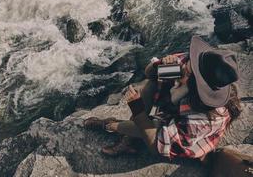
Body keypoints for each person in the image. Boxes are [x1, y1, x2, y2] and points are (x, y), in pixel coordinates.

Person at [83, 36, 242, 160]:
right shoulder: (193, 66)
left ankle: (111, 126)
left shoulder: (202, 119)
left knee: (150, 125)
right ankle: (129, 137)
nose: (182, 68)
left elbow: (156, 145)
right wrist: (160, 65)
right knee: (151, 84)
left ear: (198, 85)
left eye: (186, 72)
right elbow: (149, 74)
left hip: (182, 136)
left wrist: (137, 111)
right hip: (177, 107)